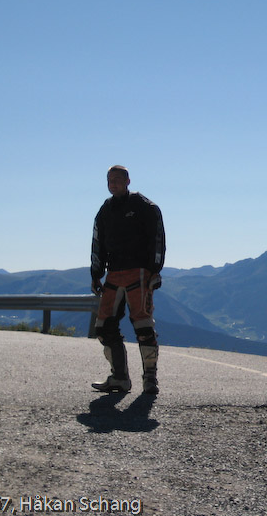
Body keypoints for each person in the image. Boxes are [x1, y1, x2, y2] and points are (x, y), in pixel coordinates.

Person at [90, 165, 166, 394]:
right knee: (104, 327)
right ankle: (119, 378)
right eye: (109, 180)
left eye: (117, 179)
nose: (113, 183)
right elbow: (97, 242)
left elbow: (158, 238)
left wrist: (154, 269)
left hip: (139, 273)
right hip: (113, 274)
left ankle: (150, 379)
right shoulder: (105, 210)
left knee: (143, 326)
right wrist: (96, 273)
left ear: (128, 181)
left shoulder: (145, 206)